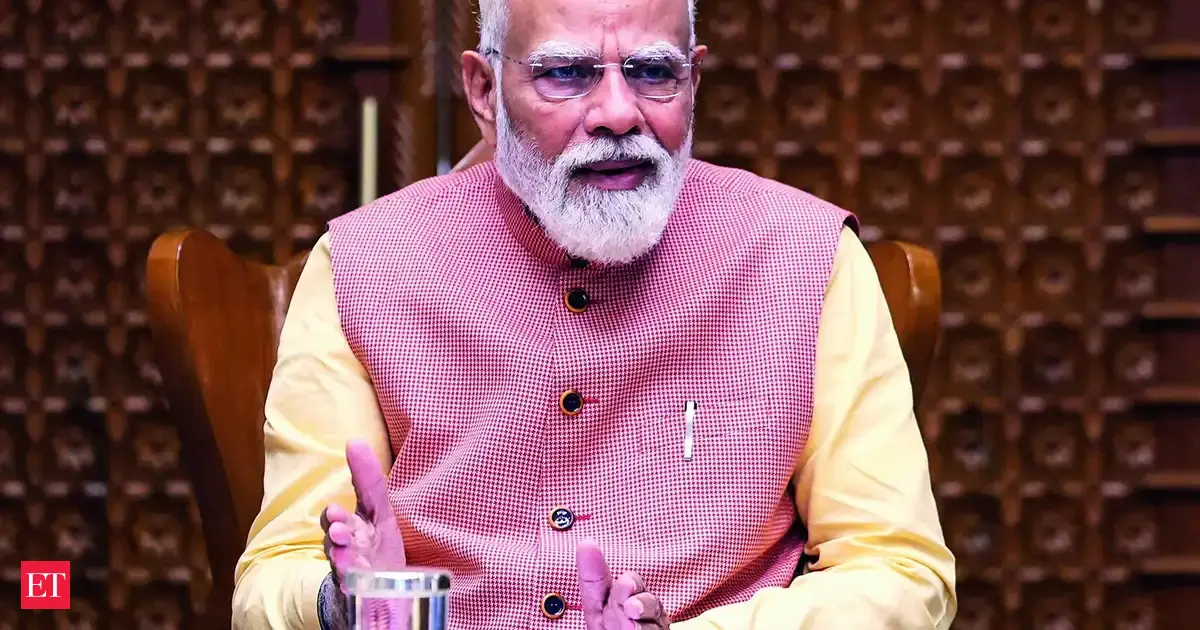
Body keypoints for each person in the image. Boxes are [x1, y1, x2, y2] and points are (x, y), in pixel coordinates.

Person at [231, 0, 958, 627]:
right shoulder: (362, 265)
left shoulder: (806, 257)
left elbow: (900, 574)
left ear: (695, 80)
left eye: (652, 72)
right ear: (483, 90)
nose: (617, 114)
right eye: (566, 73)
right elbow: (269, 579)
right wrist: (349, 603)